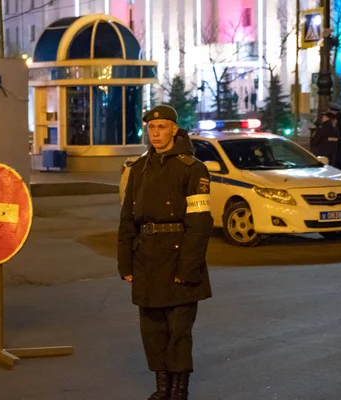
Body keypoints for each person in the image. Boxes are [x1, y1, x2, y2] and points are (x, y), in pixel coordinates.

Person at [118, 105, 213, 400]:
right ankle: (162, 387)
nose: (156, 133)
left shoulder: (192, 168)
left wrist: (187, 268)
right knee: (153, 330)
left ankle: (179, 389)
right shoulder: (139, 169)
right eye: (151, 128)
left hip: (178, 258)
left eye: (162, 127)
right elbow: (127, 218)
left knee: (179, 331)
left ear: (174, 129)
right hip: (146, 258)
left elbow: (199, 223)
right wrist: (125, 262)